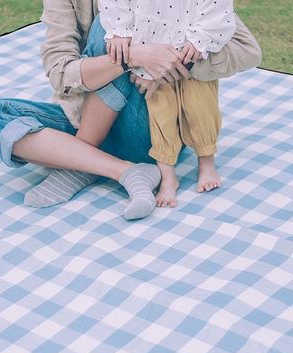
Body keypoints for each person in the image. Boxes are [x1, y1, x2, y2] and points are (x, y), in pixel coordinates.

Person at [0, 0, 261, 219]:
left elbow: (247, 50)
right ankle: (120, 170)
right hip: (84, 116)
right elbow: (60, 73)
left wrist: (170, 62)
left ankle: (78, 160)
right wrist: (133, 57)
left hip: (150, 123)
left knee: (107, 24)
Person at [78, 0, 236, 209]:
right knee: (161, 116)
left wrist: (201, 40)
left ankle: (207, 163)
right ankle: (168, 177)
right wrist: (119, 30)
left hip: (190, 53)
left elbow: (218, 9)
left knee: (201, 109)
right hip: (151, 50)